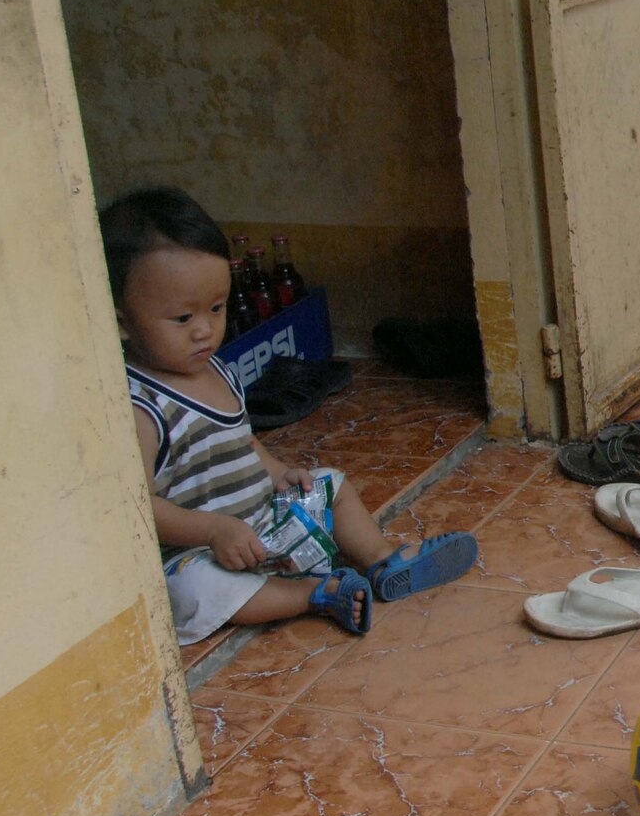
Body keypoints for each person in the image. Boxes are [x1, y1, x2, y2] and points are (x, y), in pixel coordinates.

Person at [103, 186, 479, 640]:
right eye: (182, 319)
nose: (205, 329)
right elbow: (138, 509)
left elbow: (243, 440)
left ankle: (383, 560)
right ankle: (317, 593)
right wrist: (212, 530)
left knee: (331, 485)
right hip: (202, 549)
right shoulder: (139, 405)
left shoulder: (216, 368)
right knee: (195, 590)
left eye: (217, 308)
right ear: (121, 320)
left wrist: (278, 472)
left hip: (261, 521)